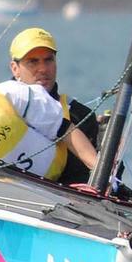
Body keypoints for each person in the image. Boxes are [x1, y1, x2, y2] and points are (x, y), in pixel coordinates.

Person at [9, 27, 101, 185]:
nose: (43, 69)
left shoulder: (81, 116)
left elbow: (86, 184)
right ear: (15, 68)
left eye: (48, 60)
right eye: (33, 61)